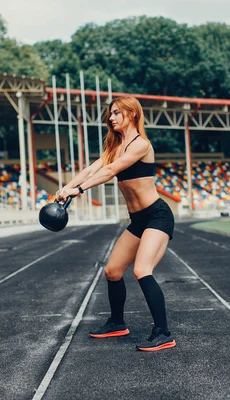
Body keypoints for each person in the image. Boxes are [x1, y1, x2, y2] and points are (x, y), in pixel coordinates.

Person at [55, 96, 176, 352]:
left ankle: (163, 332)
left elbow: (110, 172)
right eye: (110, 114)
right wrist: (66, 187)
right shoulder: (114, 147)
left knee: (142, 270)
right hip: (138, 220)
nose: (111, 118)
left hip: (157, 216)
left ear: (132, 114)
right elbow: (92, 169)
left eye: (116, 113)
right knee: (112, 271)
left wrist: (78, 190)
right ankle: (117, 322)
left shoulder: (140, 144)